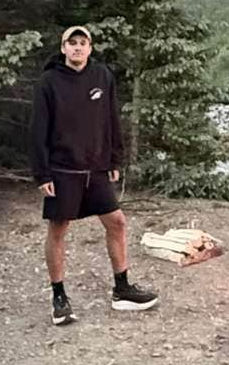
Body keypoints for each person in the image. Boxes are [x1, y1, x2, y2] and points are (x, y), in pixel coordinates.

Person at [31, 25, 157, 326]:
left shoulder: (102, 76)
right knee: (59, 230)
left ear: (90, 48)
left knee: (117, 222)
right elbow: (37, 130)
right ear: (63, 49)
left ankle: (122, 289)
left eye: (82, 43)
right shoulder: (49, 82)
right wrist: (41, 173)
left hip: (96, 170)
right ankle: (59, 297)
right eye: (71, 43)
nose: (77, 48)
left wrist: (115, 157)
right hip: (63, 171)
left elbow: (112, 118)